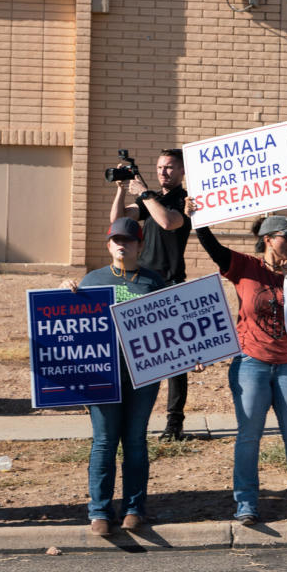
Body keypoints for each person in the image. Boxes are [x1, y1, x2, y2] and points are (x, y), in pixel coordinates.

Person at [187, 204, 287, 525]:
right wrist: (197, 220)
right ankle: (246, 504)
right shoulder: (243, 266)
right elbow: (213, 247)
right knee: (249, 436)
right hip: (251, 364)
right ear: (269, 239)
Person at [63, 218, 165, 535]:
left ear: (140, 245)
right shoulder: (91, 281)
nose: (122, 244)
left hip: (143, 376)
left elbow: (170, 329)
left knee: (135, 441)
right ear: (108, 245)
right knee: (105, 442)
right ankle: (100, 512)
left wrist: (193, 355)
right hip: (101, 376)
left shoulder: (154, 282)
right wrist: (64, 296)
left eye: (129, 240)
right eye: (116, 239)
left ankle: (134, 509)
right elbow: (70, 327)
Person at [110, 149, 191, 441]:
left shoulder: (186, 202)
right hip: (143, 281)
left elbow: (168, 222)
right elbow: (119, 221)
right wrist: (121, 191)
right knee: (135, 350)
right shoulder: (151, 198)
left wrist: (144, 192)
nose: (163, 172)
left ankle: (174, 422)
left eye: (169, 167)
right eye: (159, 167)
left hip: (171, 282)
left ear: (182, 172)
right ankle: (130, 415)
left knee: (176, 358)